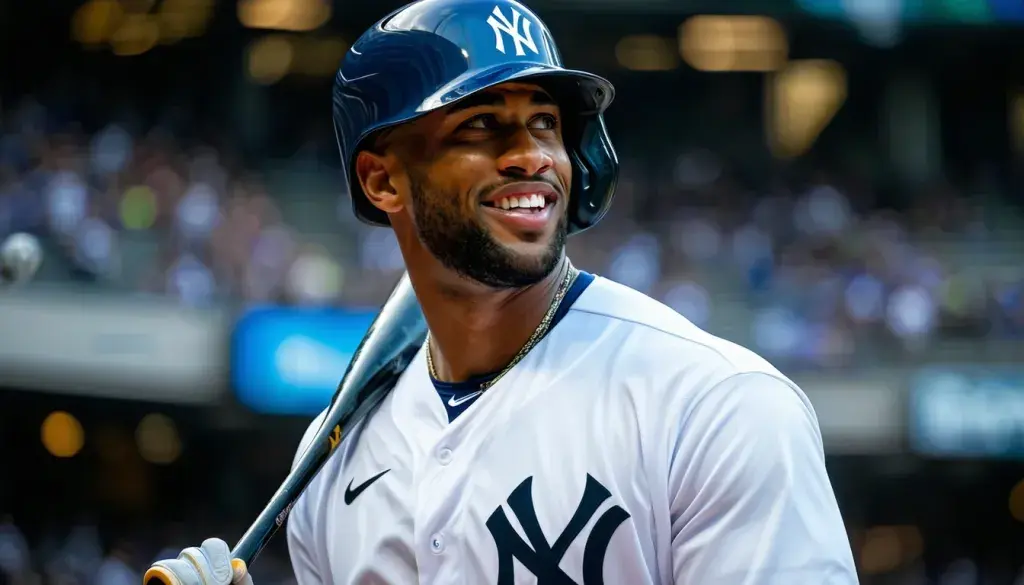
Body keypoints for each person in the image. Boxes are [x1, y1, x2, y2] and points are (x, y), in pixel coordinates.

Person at [146, 0, 859, 583]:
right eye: (480, 124)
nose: (531, 155)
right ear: (382, 180)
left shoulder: (716, 408)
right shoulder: (333, 463)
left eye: (545, 123)